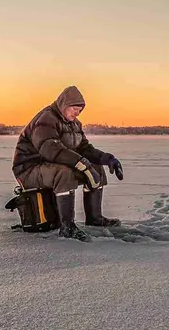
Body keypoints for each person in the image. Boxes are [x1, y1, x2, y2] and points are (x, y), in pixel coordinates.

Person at [13, 86, 124, 241]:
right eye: (74, 109)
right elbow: (50, 149)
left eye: (79, 110)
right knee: (64, 172)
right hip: (28, 169)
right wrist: (82, 164)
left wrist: (107, 159)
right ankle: (67, 227)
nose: (77, 113)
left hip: (50, 166)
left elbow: (84, 149)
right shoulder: (46, 119)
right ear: (64, 105)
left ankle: (95, 218)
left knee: (95, 167)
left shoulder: (75, 124)